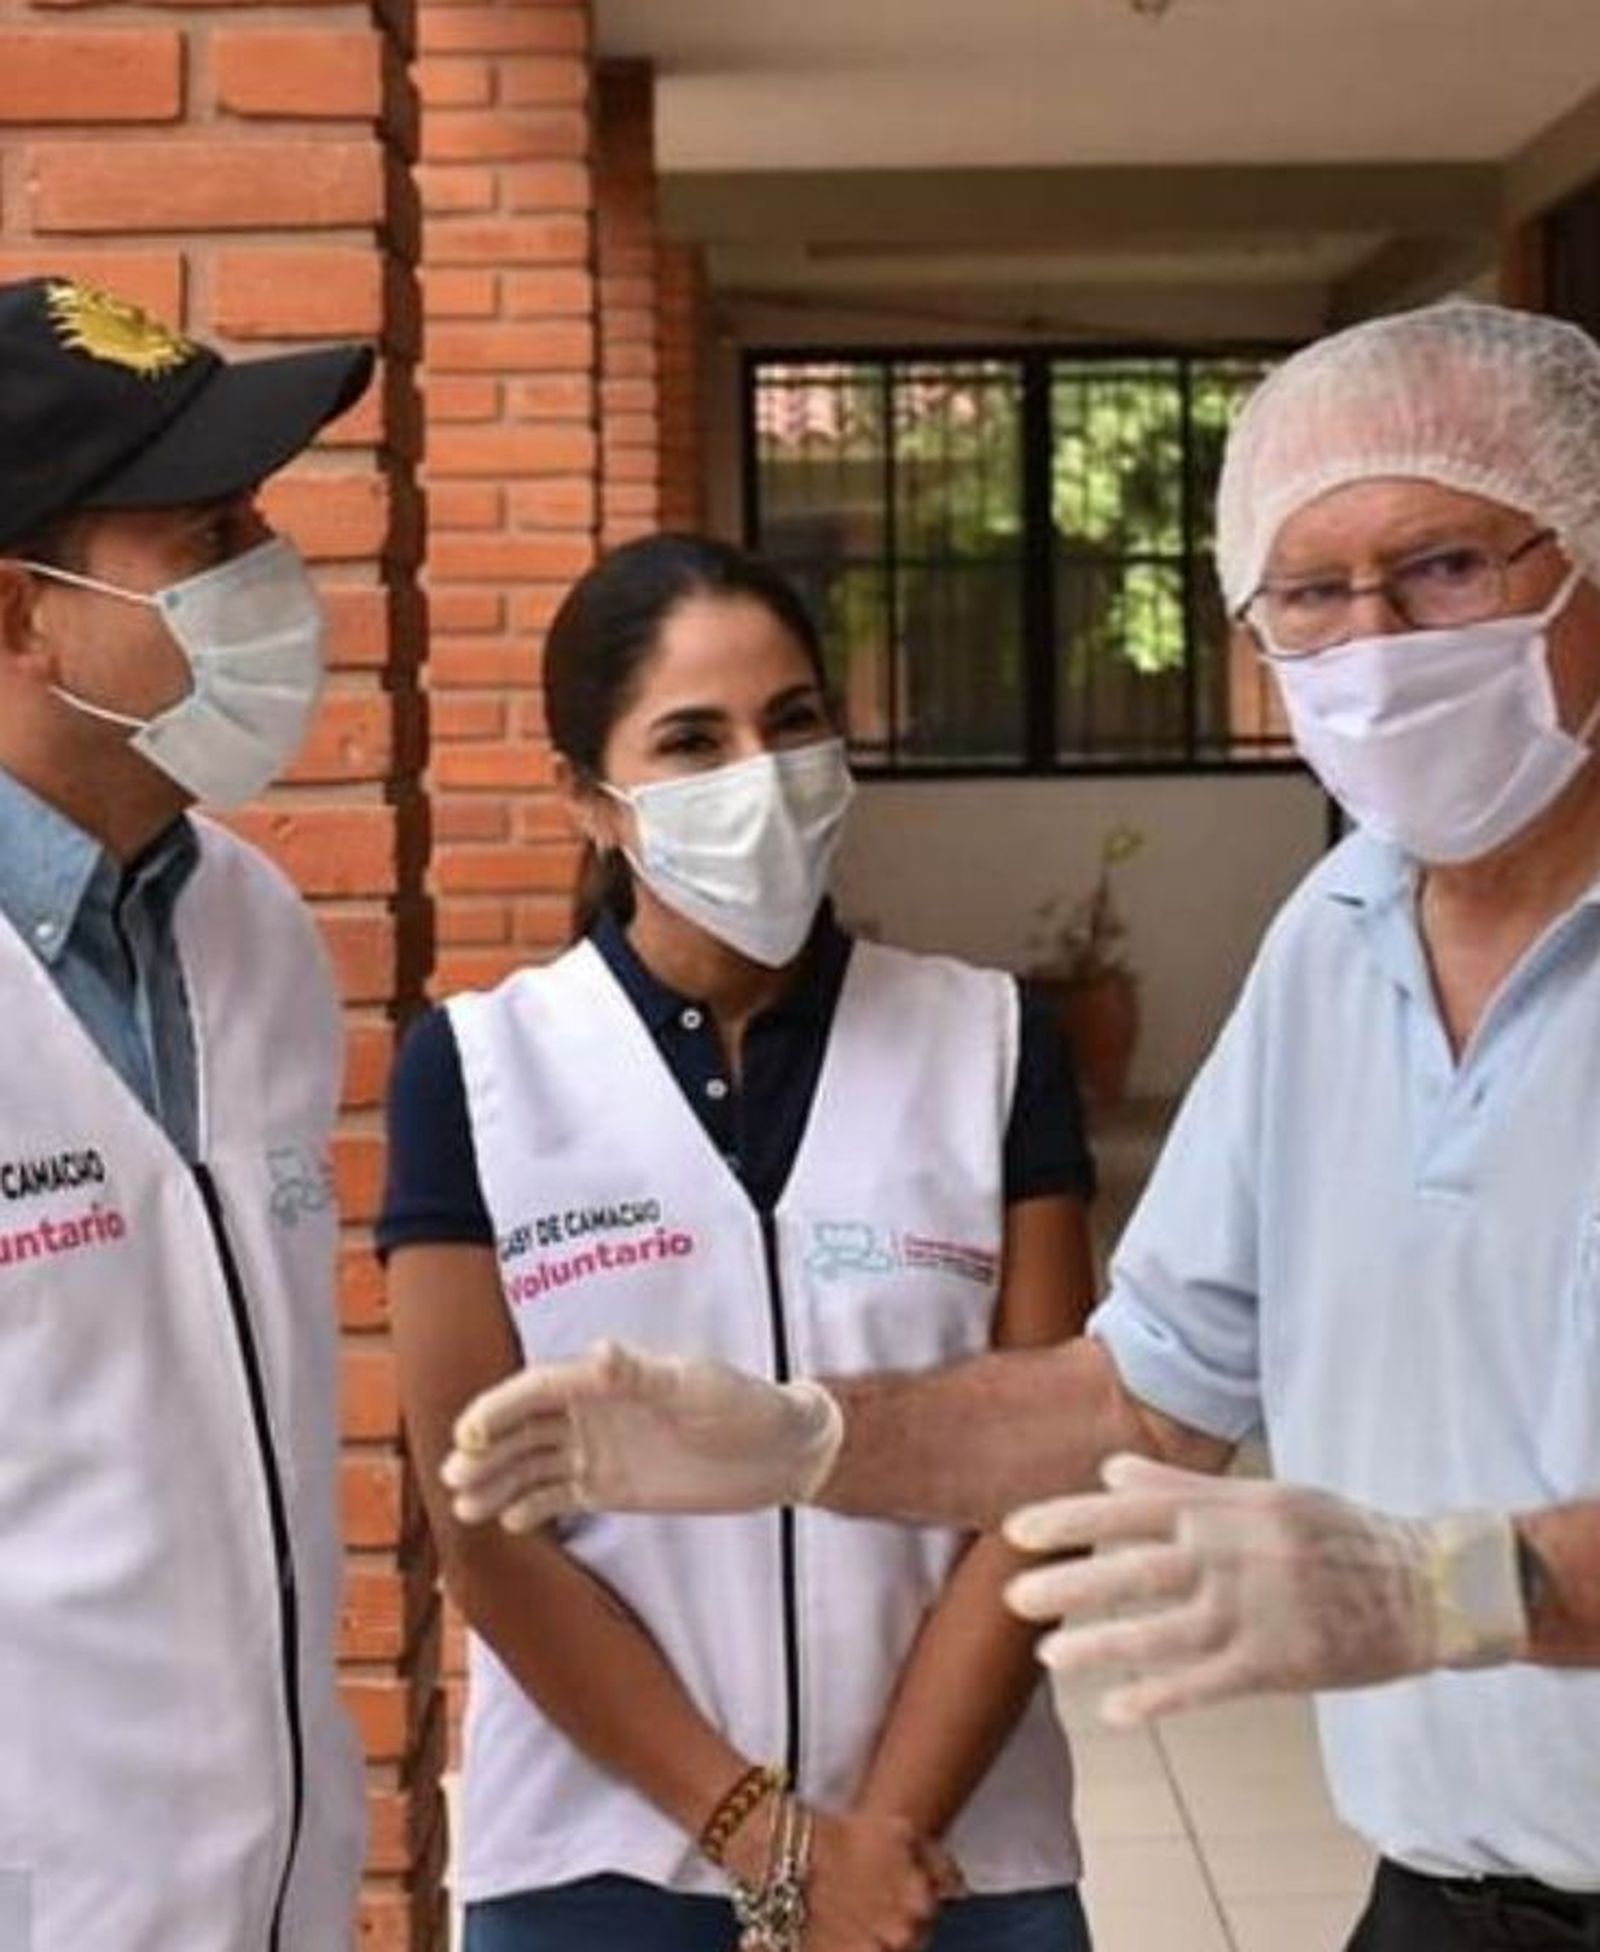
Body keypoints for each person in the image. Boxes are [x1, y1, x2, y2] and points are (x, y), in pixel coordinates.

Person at [441, 304, 1600, 1952]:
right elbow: (1137, 1394)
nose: (1379, 642)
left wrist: (1456, 1589)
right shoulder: (1335, 945)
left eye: (1446, 569)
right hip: (1443, 1898)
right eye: (1312, 594)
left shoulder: (979, 1032)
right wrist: (811, 1438)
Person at [380, 533, 1102, 1952]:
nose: (758, 777)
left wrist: (874, 1843)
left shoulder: (993, 1042)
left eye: (793, 723)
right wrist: (767, 1840)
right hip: (601, 1865)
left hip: (952, 1859)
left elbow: (1046, 1471)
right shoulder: (479, 1072)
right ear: (590, 801)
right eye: (692, 742)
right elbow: (484, 1530)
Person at [0, 275, 372, 1949]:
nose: (269, 574)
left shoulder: (255, 933)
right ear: (23, 612)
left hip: (284, 1887)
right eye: (205, 534)